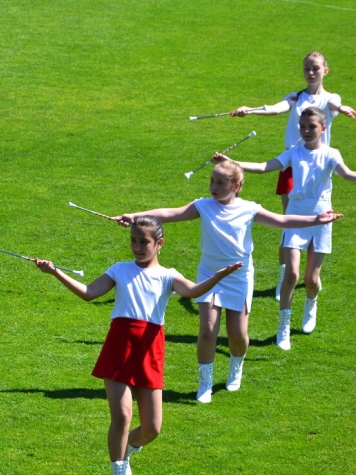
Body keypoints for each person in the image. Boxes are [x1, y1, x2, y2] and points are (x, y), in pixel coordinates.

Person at [117, 160, 341, 403]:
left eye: (221, 183)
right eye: (212, 181)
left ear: (237, 186)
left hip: (238, 275)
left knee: (237, 334)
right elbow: (170, 214)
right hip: (209, 273)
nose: (214, 186)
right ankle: (205, 383)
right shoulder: (203, 206)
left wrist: (315, 220)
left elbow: (282, 221)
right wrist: (135, 216)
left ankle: (236, 365)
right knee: (207, 330)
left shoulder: (249, 209)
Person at [35, 216, 241, 475]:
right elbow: (89, 293)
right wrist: (55, 272)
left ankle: (129, 445)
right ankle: (118, 468)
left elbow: (193, 291)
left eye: (144, 242)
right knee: (122, 415)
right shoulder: (119, 269)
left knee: (152, 428)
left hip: (150, 350)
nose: (137, 247)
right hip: (119, 346)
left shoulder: (168, 275)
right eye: (133, 241)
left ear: (159, 243)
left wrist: (219, 276)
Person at [217, 107, 355, 351]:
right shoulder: (294, 153)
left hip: (322, 217)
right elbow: (263, 167)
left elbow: (347, 174)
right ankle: (283, 326)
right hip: (294, 215)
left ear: (324, 128)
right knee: (291, 274)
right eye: (302, 126)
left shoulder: (331, 154)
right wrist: (231, 162)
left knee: (311, 279)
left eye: (311, 126)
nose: (306, 131)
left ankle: (311, 303)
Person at [229, 51, 355, 300]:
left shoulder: (331, 98)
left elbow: (333, 106)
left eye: (315, 68)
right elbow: (276, 109)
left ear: (325, 71)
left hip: (319, 166)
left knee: (312, 221)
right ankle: (285, 275)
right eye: (307, 68)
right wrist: (250, 110)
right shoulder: (296, 97)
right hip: (291, 164)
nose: (310, 72)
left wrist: (342, 107)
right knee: (288, 222)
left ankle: (310, 277)